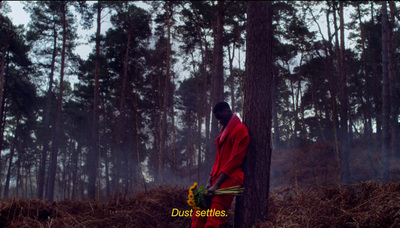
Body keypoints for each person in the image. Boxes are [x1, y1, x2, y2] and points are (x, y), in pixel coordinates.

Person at [191, 101, 250, 228]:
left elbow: (235, 160)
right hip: (217, 180)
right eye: (217, 119)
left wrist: (216, 185)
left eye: (221, 118)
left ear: (228, 112)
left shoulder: (240, 130)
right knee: (199, 211)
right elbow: (218, 160)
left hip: (230, 179)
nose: (220, 121)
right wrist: (210, 180)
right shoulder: (223, 131)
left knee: (214, 218)